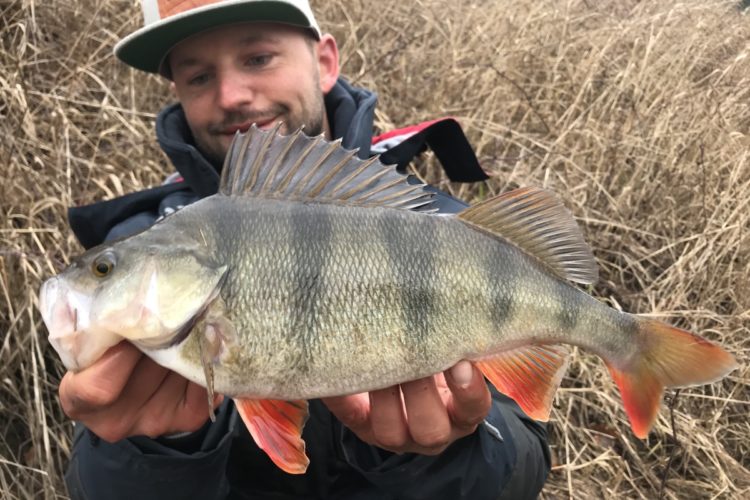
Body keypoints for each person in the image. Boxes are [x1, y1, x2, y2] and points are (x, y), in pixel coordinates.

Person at [59, 1, 551, 498]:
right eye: (199, 76)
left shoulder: (440, 227)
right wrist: (152, 451)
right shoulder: (149, 239)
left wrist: (446, 453)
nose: (232, 95)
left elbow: (523, 466)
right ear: (177, 94)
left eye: (257, 59)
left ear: (324, 62)